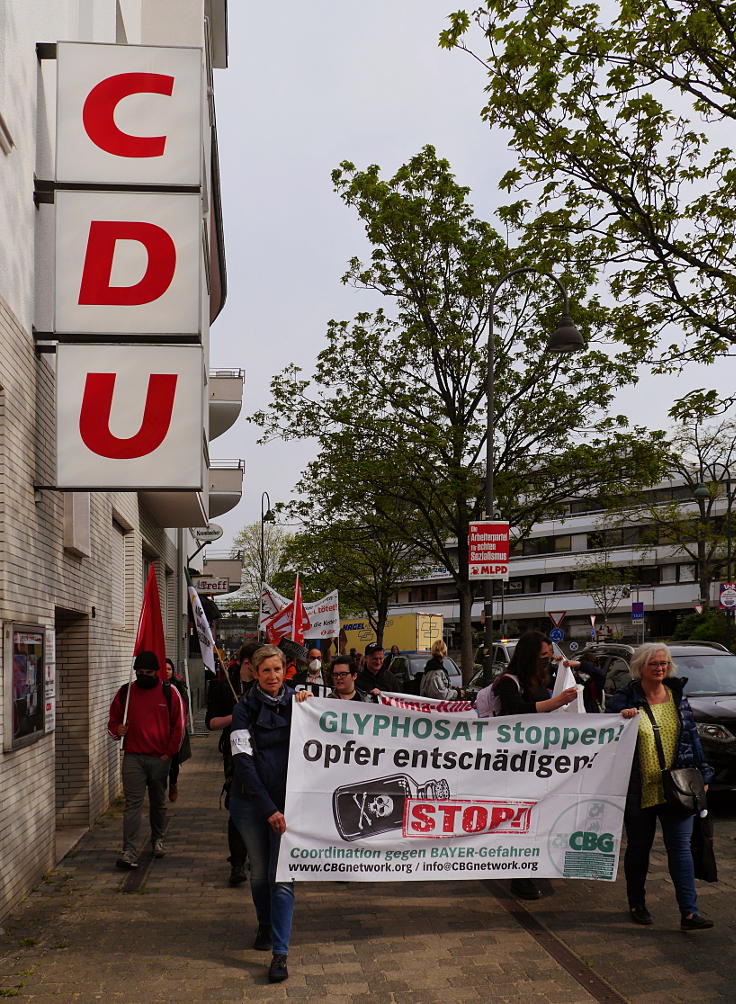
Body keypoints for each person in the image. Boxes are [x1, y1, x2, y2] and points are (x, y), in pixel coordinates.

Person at [607, 643, 714, 931]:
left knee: (680, 848)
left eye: (664, 663)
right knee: (639, 848)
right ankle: (637, 903)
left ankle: (689, 913)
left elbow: (691, 737)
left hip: (677, 787)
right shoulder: (625, 699)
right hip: (640, 788)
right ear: (641, 666)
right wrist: (622, 714)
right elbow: (610, 718)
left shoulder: (677, 697)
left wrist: (703, 775)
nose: (660, 668)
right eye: (654, 663)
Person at [229, 644, 312, 984]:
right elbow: (244, 764)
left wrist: (312, 704)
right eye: (266, 671)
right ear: (255, 672)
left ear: (285, 671)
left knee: (283, 879)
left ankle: (280, 953)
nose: (273, 676)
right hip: (251, 805)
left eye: (278, 670)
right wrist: (268, 809)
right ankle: (264, 923)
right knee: (260, 873)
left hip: (288, 805)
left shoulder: (300, 703)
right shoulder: (242, 709)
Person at [475, 631, 577, 900]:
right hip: (513, 763)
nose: (547, 662)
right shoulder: (507, 683)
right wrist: (557, 702)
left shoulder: (537, 678)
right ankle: (520, 875)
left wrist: (568, 669)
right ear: (529, 657)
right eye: (542, 657)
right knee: (520, 817)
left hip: (535, 761)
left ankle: (528, 866)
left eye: (548, 657)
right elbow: (517, 711)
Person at [107, 650, 185, 869]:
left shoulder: (170, 693)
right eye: (139, 672)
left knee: (157, 803)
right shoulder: (126, 693)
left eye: (147, 672)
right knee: (133, 804)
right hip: (133, 757)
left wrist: (168, 753)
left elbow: (178, 726)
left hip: (160, 758)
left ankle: (157, 839)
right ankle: (128, 850)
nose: (143, 676)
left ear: (156, 672)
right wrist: (117, 730)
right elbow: (113, 720)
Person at [206, 640, 260, 886]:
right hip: (235, 754)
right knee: (238, 805)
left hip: (264, 753)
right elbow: (211, 723)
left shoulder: (266, 686)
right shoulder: (223, 687)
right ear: (247, 663)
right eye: (259, 665)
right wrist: (235, 715)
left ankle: (257, 855)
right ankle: (237, 863)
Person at [164, 657, 192, 802]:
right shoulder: (157, 686)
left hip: (175, 729)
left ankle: (173, 784)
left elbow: (185, 707)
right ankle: (160, 789)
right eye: (164, 669)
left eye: (169, 669)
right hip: (160, 732)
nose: (167, 672)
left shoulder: (178, 686)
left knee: (174, 761)